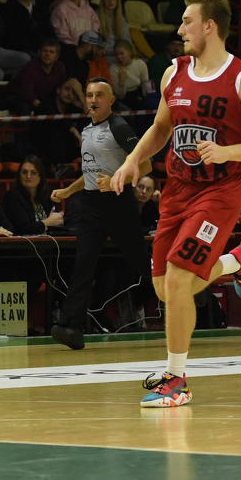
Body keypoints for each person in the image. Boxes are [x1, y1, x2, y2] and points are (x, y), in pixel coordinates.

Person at [109, 0, 241, 407]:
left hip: (219, 192)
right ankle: (239, 260)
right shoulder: (174, 72)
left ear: (209, 26)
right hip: (178, 190)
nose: (180, 29)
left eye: (187, 22)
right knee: (166, 290)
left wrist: (228, 152)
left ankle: (177, 380)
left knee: (178, 279)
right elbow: (161, 128)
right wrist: (132, 160)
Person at [48, 79, 150, 349]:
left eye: (99, 95)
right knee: (83, 264)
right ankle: (72, 327)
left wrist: (117, 180)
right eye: (89, 95)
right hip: (91, 205)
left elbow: (146, 165)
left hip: (119, 204)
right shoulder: (87, 130)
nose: (93, 100)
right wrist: (68, 191)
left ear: (111, 100)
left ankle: (186, 296)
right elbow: (90, 173)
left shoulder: (119, 127)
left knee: (141, 263)